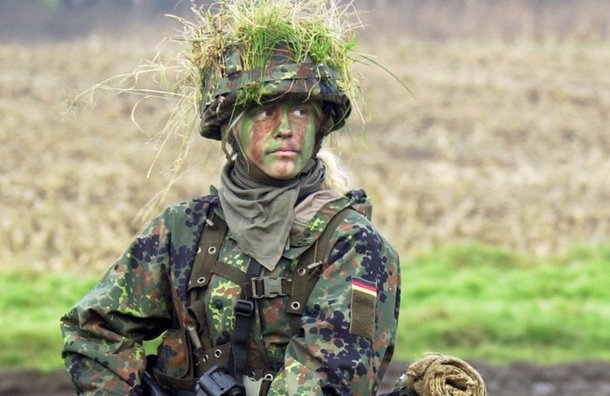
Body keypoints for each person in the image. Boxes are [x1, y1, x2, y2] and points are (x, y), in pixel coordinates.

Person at [60, 1, 401, 395]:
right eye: (264, 113)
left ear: (320, 126)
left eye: (302, 112)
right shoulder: (185, 230)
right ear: (232, 128)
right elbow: (91, 330)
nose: (286, 129)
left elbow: (332, 379)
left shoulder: (353, 246)